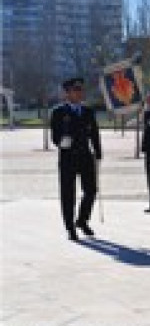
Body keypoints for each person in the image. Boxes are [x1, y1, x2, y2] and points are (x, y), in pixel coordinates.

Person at [51, 77, 102, 241]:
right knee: (68, 194)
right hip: (68, 157)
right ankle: (70, 227)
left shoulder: (87, 111)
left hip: (86, 156)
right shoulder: (59, 112)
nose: (80, 92)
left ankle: (82, 219)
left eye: (81, 89)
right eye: (76, 90)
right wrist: (63, 142)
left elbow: (94, 132)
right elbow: (55, 136)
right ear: (67, 93)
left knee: (91, 190)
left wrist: (98, 151)